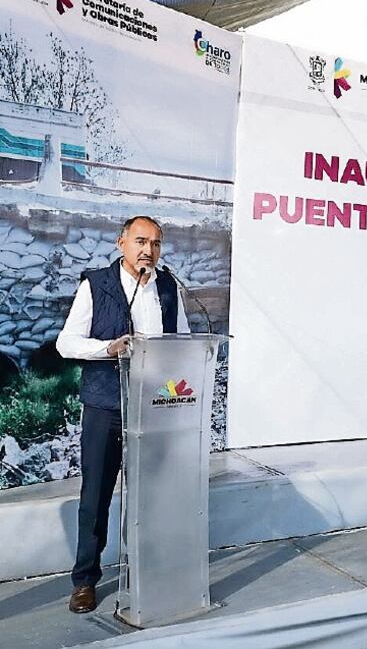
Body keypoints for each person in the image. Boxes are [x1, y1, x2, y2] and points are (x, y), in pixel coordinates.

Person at [56, 216, 190, 614]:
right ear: (121, 243)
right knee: (95, 496)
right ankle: (84, 581)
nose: (148, 250)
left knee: (152, 496)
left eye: (155, 244)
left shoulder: (168, 287)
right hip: (106, 407)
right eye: (140, 241)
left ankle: (148, 570)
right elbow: (66, 343)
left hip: (155, 406)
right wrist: (108, 348)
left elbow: (181, 339)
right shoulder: (96, 284)